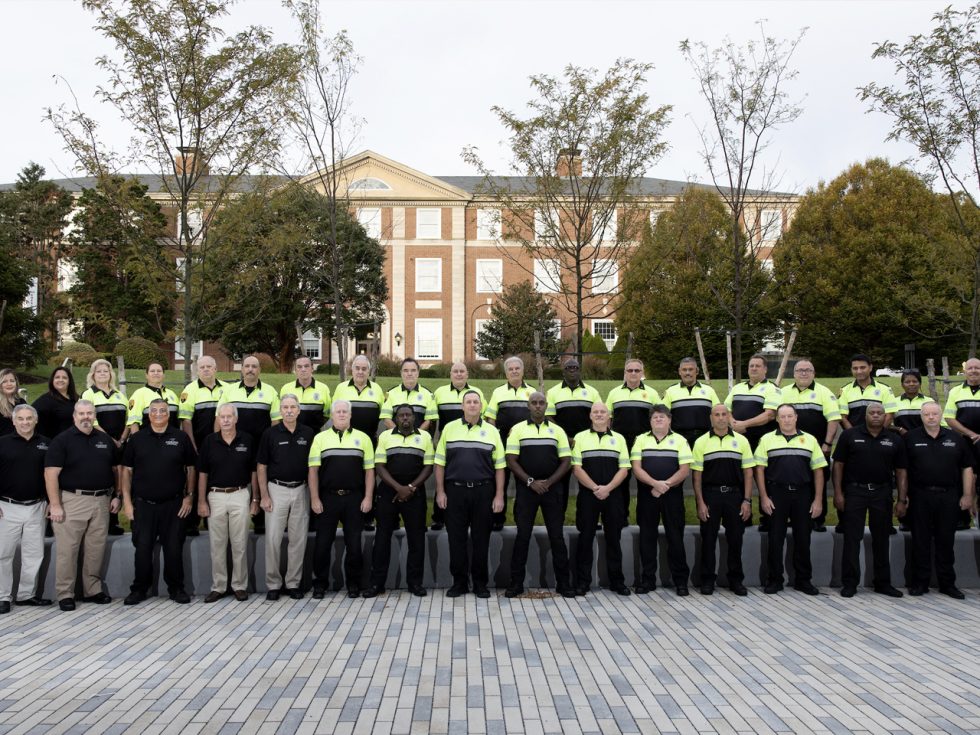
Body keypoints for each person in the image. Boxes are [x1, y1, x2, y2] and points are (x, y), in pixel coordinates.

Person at [44, 399, 120, 611]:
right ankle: (65, 594)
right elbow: (51, 474)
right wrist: (55, 504)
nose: (86, 417)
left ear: (94, 415)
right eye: (82, 413)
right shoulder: (62, 441)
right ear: (74, 416)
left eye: (89, 413)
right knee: (68, 550)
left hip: (102, 500)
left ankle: (92, 590)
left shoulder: (104, 440)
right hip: (72, 501)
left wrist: (117, 495)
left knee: (95, 548)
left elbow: (116, 470)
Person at [120, 398, 196, 605]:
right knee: (142, 548)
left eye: (163, 410)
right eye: (155, 411)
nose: (159, 414)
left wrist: (189, 497)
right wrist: (126, 501)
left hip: (174, 505)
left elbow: (191, 468)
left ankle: (176, 588)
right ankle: (139, 589)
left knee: (173, 548)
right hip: (144, 505)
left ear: (168, 414)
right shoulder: (137, 439)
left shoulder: (180, 438)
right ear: (148, 414)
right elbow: (126, 471)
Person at [832, 401, 907, 598]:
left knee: (881, 539)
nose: (875, 415)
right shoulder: (850, 435)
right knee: (852, 539)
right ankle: (850, 583)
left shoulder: (894, 439)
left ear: (885, 417)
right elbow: (838, 465)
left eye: (879, 413)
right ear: (865, 416)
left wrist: (901, 499)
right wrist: (838, 494)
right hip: (855, 492)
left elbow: (901, 471)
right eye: (871, 412)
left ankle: (883, 583)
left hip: (882, 494)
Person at [435, 390, 505, 598]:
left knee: (481, 539)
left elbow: (500, 466)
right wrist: (440, 491)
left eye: (476, 401)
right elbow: (439, 463)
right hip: (455, 491)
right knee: (456, 539)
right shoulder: (450, 428)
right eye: (469, 402)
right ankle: (459, 583)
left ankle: (480, 583)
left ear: (481, 406)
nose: (473, 405)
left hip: (484, 491)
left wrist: (499, 495)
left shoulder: (492, 432)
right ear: (462, 406)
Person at [901, 401, 974, 599]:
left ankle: (947, 583)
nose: (931, 417)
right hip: (920, 496)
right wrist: (902, 496)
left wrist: (968, 495)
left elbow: (967, 468)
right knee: (920, 541)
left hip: (948, 496)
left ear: (941, 415)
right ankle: (919, 583)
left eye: (934, 414)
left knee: (945, 541)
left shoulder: (955, 438)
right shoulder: (910, 438)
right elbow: (903, 471)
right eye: (927, 414)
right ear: (921, 416)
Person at [504, 391, 574, 598]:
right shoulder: (517, 430)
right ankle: (516, 584)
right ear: (528, 406)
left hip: (553, 490)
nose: (537, 406)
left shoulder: (558, 431)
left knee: (557, 537)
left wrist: (549, 482)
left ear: (546, 406)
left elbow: (566, 461)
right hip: (527, 490)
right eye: (533, 403)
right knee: (522, 536)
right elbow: (511, 459)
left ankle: (564, 584)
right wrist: (530, 482)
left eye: (541, 403)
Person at [755, 404, 826, 595]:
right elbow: (759, 469)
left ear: (796, 417)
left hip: (803, 494)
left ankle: (803, 580)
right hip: (776, 494)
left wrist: (818, 500)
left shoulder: (810, 440)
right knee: (775, 538)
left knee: (803, 538)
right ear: (777, 419)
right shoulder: (767, 439)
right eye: (782, 416)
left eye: (789, 416)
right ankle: (774, 580)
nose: (786, 420)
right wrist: (763, 497)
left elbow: (818, 471)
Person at [364, 404, 434, 598]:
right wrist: (398, 488)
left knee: (416, 539)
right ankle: (377, 584)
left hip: (415, 492)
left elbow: (428, 467)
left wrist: (410, 488)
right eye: (401, 415)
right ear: (395, 418)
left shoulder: (425, 437)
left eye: (408, 415)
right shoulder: (385, 437)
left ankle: (415, 584)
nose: (405, 418)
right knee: (382, 539)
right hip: (388, 492)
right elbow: (379, 465)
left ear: (414, 418)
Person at [308, 399, 374, 599]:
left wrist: (368, 497)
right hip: (327, 499)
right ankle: (320, 584)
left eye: (345, 411)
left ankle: (353, 584)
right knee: (322, 544)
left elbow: (370, 472)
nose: (342, 414)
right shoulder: (320, 438)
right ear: (332, 415)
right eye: (338, 412)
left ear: (351, 414)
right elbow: (313, 471)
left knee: (354, 545)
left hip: (354, 499)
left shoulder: (363, 439)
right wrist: (314, 498)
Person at [691, 404, 755, 597]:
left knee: (735, 540)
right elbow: (696, 477)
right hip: (710, 495)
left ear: (729, 417)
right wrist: (700, 502)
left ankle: (736, 580)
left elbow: (748, 473)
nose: (720, 418)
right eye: (716, 414)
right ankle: (707, 580)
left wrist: (747, 500)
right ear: (711, 418)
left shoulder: (742, 441)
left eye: (724, 414)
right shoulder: (701, 442)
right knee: (708, 540)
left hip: (735, 496)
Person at [197, 403, 258, 603]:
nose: (225, 420)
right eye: (222, 417)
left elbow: (254, 472)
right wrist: (201, 500)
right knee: (217, 544)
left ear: (235, 419)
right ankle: (219, 586)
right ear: (218, 419)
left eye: (229, 416)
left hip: (240, 494)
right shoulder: (209, 441)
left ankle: (239, 586)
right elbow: (202, 473)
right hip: (215, 496)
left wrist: (255, 498)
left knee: (239, 543)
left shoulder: (247, 440)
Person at [256, 394, 314, 601]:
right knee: (273, 539)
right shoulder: (270, 434)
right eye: (285, 407)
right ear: (280, 411)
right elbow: (261, 466)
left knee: (298, 540)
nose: (289, 410)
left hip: (301, 490)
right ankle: (273, 584)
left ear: (299, 410)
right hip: (276, 490)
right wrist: (264, 495)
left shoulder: (308, 434)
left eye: (293, 407)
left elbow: (312, 467)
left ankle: (293, 584)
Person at [631, 405, 693, 596]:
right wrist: (655, 485)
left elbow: (684, 470)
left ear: (669, 419)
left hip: (672, 496)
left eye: (662, 417)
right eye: (655, 417)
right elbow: (636, 468)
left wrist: (665, 485)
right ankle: (647, 580)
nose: (658, 419)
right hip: (647, 495)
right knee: (646, 538)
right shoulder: (640, 440)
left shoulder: (680, 440)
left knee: (675, 538)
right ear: (650, 421)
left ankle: (680, 582)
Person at [571, 402, 631, 596]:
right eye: (595, 412)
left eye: (602, 412)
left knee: (614, 539)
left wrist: (608, 488)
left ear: (609, 416)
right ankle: (582, 582)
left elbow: (624, 468)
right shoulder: (580, 438)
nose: (599, 415)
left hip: (613, 496)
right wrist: (596, 488)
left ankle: (617, 581)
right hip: (589, 495)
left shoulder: (619, 439)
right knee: (585, 538)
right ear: (590, 415)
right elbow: (576, 468)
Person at [217, 355, 281, 534]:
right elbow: (220, 417)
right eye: (247, 366)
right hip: (235, 445)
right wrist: (218, 441)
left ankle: (259, 520)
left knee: (261, 481)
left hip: (261, 445)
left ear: (259, 370)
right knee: (237, 481)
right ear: (242, 369)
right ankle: (234, 519)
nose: (250, 369)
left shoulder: (270, 391)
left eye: (254, 366)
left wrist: (272, 445)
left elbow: (275, 421)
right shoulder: (229, 391)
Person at [778, 360, 841, 532]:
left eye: (808, 370)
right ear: (794, 373)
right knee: (794, 482)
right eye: (800, 370)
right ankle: (794, 518)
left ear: (814, 373)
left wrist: (827, 443)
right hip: (789, 449)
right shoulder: (782, 393)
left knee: (816, 483)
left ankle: (817, 520)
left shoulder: (824, 392)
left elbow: (833, 419)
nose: (804, 373)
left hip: (818, 448)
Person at [0, 404, 51, 611]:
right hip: (6, 507)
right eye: (20, 419)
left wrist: (50, 502)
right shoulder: (2, 443)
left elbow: (52, 475)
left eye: (29, 418)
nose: (25, 422)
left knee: (34, 553)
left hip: (37, 506)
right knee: (3, 554)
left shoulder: (47, 444)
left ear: (35, 420)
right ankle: (3, 596)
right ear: (13, 421)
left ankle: (26, 594)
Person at [333, 355, 385, 532]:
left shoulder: (377, 389)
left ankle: (369, 517)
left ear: (369, 371)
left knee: (369, 477)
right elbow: (335, 415)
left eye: (364, 369)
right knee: (351, 478)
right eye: (357, 368)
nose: (361, 372)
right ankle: (350, 515)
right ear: (351, 369)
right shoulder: (341, 388)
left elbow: (382, 415)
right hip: (346, 441)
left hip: (370, 440)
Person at [431, 362, 485, 530]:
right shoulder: (440, 392)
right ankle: (438, 517)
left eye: (462, 371)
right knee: (443, 479)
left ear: (467, 374)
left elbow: (483, 418)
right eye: (456, 371)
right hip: (448, 442)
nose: (459, 374)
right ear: (450, 374)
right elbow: (433, 419)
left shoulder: (476, 393)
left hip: (471, 443)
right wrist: (433, 439)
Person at [607, 359, 661, 523]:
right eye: (630, 370)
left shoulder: (651, 394)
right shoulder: (614, 393)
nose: (633, 373)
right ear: (625, 372)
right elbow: (608, 420)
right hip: (620, 444)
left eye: (637, 371)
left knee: (645, 482)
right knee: (621, 481)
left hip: (644, 445)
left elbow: (659, 418)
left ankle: (645, 519)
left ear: (642, 373)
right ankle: (621, 517)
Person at [547, 358, 602, 517]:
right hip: (562, 445)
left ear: (580, 370)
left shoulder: (592, 392)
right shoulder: (553, 392)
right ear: (563, 371)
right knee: (560, 485)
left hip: (586, 445)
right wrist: (566, 438)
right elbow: (549, 418)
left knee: (589, 482)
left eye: (575, 367)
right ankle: (558, 517)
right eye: (568, 367)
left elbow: (599, 415)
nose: (572, 370)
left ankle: (590, 517)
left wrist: (584, 439)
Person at [178, 355, 226, 535]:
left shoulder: (227, 389)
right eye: (202, 367)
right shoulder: (189, 390)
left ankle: (210, 521)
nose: (206, 369)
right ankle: (192, 523)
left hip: (222, 445)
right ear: (197, 370)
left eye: (209, 366)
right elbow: (186, 421)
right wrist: (192, 445)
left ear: (215, 369)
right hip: (198, 444)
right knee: (196, 482)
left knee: (215, 483)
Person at [485, 356, 534, 530]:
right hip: (503, 444)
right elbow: (491, 417)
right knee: (501, 482)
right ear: (506, 373)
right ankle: (498, 519)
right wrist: (494, 439)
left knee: (523, 483)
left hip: (525, 446)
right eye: (510, 369)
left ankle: (523, 519)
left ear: (522, 371)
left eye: (517, 368)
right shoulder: (498, 392)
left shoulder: (532, 392)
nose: (514, 371)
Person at [82, 359, 129, 536]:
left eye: (106, 371)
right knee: (106, 479)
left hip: (120, 443)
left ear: (111, 374)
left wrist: (122, 439)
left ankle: (114, 520)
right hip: (100, 443)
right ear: (93, 375)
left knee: (120, 480)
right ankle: (104, 522)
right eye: (99, 371)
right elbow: (90, 421)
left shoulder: (119, 394)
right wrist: (109, 439)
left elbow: (128, 420)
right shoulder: (88, 394)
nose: (103, 374)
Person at [942, 356, 980, 531]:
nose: (974, 371)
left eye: (977, 368)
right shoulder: (956, 391)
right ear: (965, 371)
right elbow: (949, 418)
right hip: (964, 441)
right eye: (970, 368)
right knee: (961, 480)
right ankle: (963, 518)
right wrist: (970, 434)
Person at [662, 357, 721, 448]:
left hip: (705, 439)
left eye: (690, 369)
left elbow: (718, 413)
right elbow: (663, 416)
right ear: (679, 371)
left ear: (696, 371)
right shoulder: (670, 391)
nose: (687, 373)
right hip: (679, 440)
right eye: (684, 370)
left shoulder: (709, 390)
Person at [838, 354, 897, 430]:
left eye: (862, 367)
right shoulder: (844, 390)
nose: (859, 371)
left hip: (878, 437)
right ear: (851, 370)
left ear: (870, 367)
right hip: (854, 437)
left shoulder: (885, 389)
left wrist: (877, 434)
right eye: (855, 368)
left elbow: (889, 415)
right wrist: (853, 435)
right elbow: (843, 418)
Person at [381, 358, 437, 432]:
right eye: (406, 370)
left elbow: (429, 421)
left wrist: (414, 436)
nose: (409, 373)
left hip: (418, 441)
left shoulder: (428, 394)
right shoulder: (390, 393)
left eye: (413, 370)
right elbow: (386, 419)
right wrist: (399, 434)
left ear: (418, 372)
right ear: (401, 373)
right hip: (396, 441)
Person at [279, 356, 331, 432]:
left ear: (312, 369)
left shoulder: (323, 388)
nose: (303, 369)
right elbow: (281, 415)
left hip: (316, 438)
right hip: (292, 436)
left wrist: (322, 434)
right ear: (295, 370)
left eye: (306, 366)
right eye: (299, 367)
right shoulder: (286, 388)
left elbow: (328, 416)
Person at [126, 362, 179, 432]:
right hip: (148, 440)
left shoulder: (172, 394)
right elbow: (134, 423)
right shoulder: (139, 394)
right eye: (152, 371)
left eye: (159, 371)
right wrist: (137, 441)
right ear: (146, 375)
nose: (156, 373)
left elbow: (178, 420)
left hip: (171, 440)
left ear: (163, 375)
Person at [33, 366, 78, 439]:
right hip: (55, 444)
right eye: (57, 377)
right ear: (52, 380)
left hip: (74, 442)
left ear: (69, 381)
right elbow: (33, 418)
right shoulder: (45, 400)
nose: (61, 380)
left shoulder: (76, 399)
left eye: (64, 377)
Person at [893, 369, 928, 437]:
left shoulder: (929, 402)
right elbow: (886, 424)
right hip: (901, 441)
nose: (911, 384)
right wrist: (900, 429)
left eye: (915, 381)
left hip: (923, 440)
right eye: (907, 382)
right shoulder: (894, 402)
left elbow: (938, 423)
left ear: (920, 384)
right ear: (902, 385)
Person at [0, 368, 26, 437]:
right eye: (4, 382)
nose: (9, 384)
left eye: (12, 381)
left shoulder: (21, 402)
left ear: (16, 383)